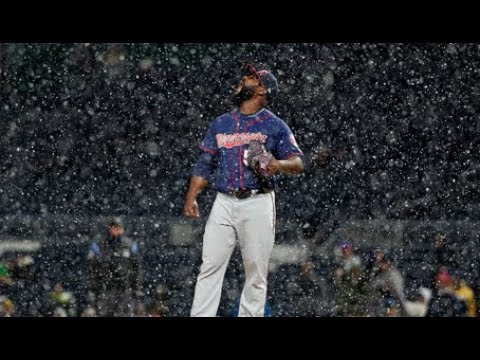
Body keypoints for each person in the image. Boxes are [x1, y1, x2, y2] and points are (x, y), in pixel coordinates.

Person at [184, 64, 304, 317]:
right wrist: (192, 196)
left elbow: (298, 162)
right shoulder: (221, 123)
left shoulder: (274, 125)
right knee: (210, 266)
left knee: (256, 272)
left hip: (257, 201)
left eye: (251, 78)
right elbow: (205, 163)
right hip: (224, 201)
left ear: (262, 90)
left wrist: (277, 164)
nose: (243, 79)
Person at [87, 219, 140, 316]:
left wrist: (135, 287)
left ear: (122, 229)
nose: (116, 230)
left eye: (118, 228)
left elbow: (135, 268)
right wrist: (93, 287)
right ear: (109, 229)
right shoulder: (99, 244)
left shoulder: (129, 245)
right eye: (114, 227)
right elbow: (92, 267)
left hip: (124, 289)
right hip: (105, 288)